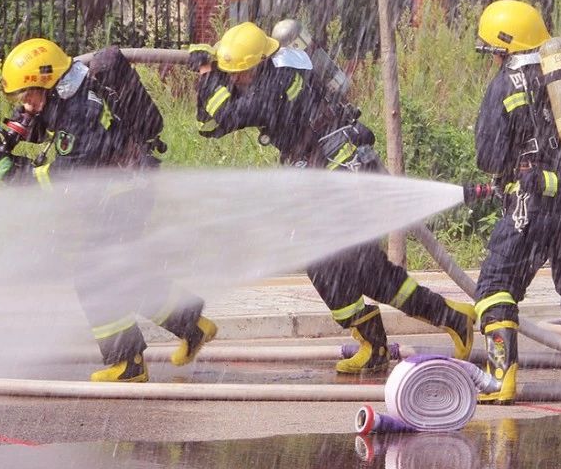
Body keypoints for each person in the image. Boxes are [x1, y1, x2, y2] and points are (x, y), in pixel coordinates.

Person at [191, 21, 475, 373]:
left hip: (343, 176)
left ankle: (377, 340)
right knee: (366, 270)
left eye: (240, 74)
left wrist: (207, 74)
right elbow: (210, 126)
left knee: (324, 263)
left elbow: (226, 117)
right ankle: (446, 320)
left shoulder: (273, 89)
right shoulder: (287, 63)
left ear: (260, 63)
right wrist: (219, 68)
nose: (235, 80)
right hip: (338, 172)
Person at [0, 37, 218, 383]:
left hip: (123, 195)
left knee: (95, 274)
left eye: (30, 94)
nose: (27, 103)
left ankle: (128, 362)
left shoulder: (82, 110)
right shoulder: (69, 94)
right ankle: (191, 324)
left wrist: (13, 172)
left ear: (50, 83)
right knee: (115, 273)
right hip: (121, 191)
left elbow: (69, 176)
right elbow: (50, 123)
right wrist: (18, 130)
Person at [468, 0, 561, 404]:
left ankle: (502, 377)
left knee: (496, 285)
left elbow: (490, 156)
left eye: (494, 52)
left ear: (504, 47)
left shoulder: (505, 85)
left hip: (532, 205)